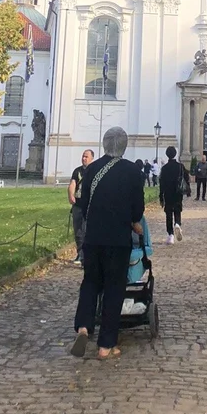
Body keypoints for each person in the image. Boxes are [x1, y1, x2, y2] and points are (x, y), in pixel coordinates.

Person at [71, 127, 144, 361]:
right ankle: (105, 345)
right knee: (114, 288)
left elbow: (83, 203)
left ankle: (83, 326)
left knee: (91, 282)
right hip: (118, 240)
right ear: (124, 146)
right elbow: (137, 210)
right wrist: (133, 222)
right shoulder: (132, 171)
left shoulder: (91, 169)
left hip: (93, 238)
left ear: (104, 144)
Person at [68, 149, 94, 267]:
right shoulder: (77, 171)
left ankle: (87, 255)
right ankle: (80, 253)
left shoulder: (94, 171)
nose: (84, 158)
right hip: (78, 205)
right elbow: (73, 184)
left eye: (86, 157)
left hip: (89, 205)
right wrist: (71, 195)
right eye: (83, 156)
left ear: (91, 158)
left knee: (87, 230)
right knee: (78, 230)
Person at [158, 146, 188, 244]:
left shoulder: (165, 168)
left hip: (168, 193)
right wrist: (187, 190)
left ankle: (170, 235)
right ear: (175, 154)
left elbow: (161, 182)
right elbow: (186, 178)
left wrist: (161, 196)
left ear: (167, 155)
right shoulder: (180, 166)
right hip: (178, 192)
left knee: (168, 212)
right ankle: (178, 224)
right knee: (177, 209)